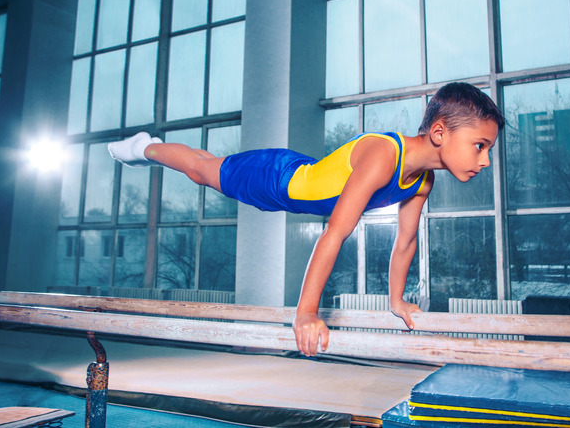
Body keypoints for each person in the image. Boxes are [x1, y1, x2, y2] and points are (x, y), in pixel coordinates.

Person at [108, 82, 505, 357]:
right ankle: (146, 149)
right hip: (277, 179)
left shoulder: (422, 181)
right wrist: (307, 312)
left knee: (207, 165)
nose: (485, 160)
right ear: (440, 132)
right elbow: (334, 233)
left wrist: (397, 300)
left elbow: (405, 243)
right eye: (479, 146)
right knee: (201, 170)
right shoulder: (385, 156)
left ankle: (151, 147)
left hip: (304, 175)